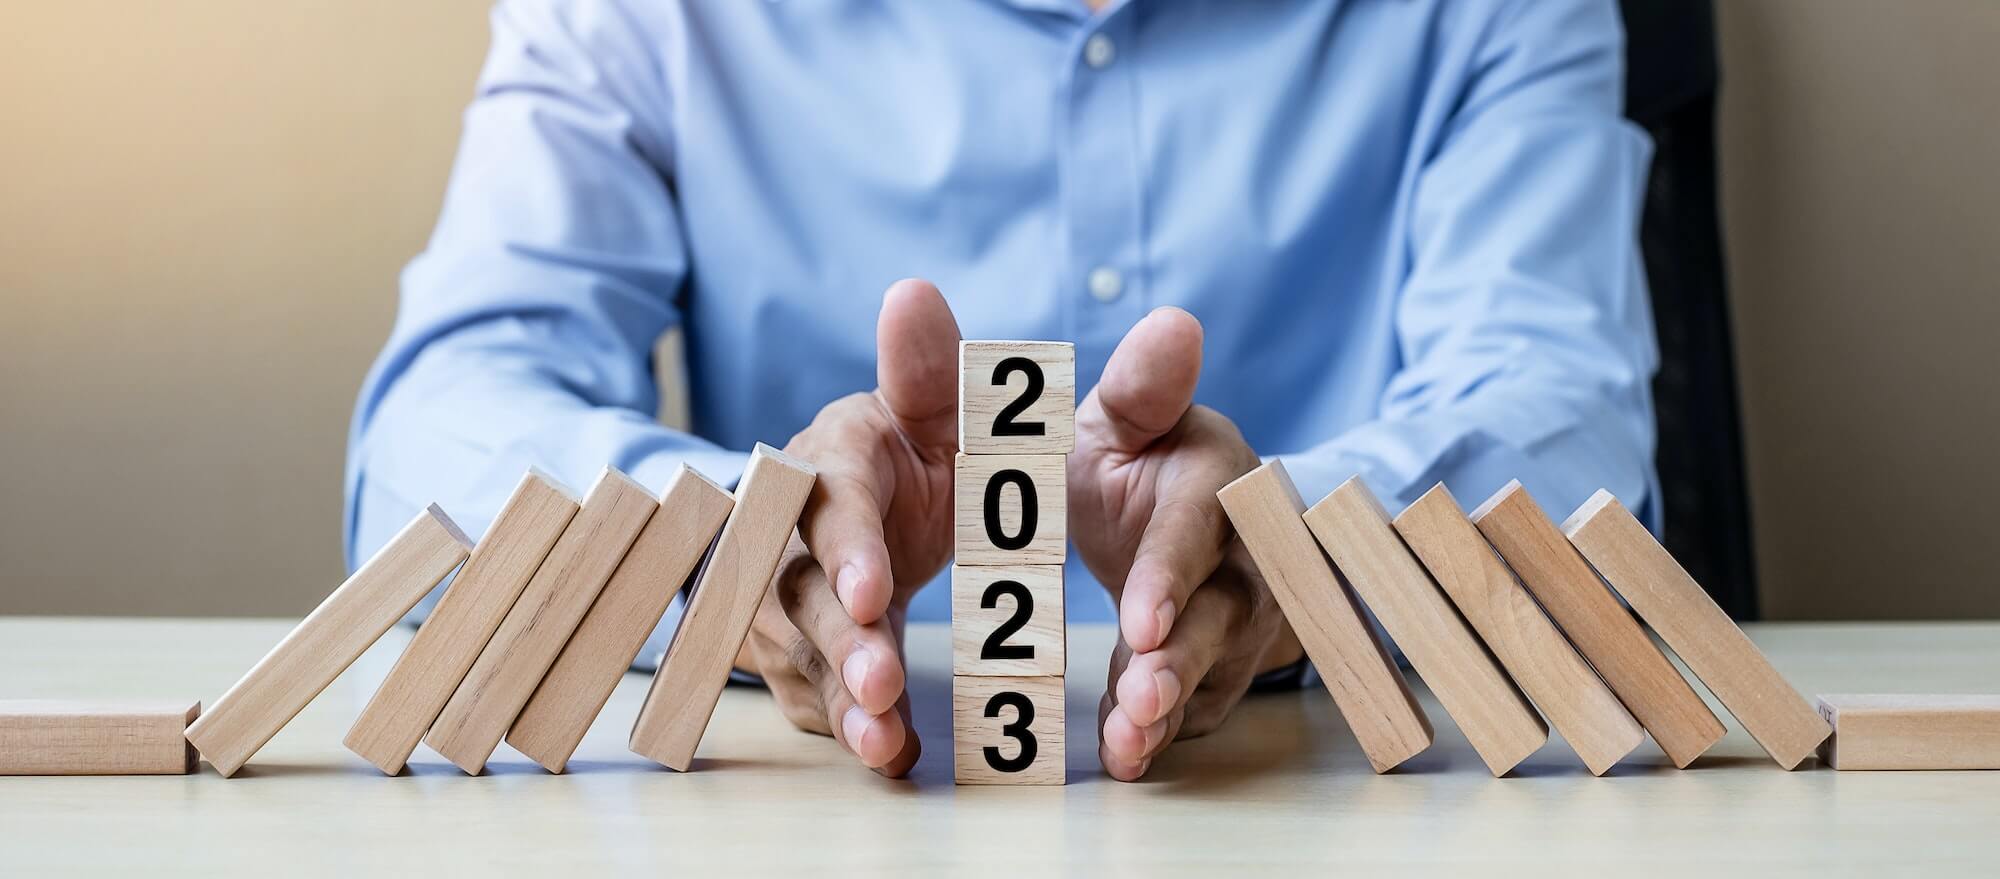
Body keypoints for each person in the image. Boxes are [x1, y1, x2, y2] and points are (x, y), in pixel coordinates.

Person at [346, 0, 1660, 782]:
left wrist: (1289, 547)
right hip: (808, 814)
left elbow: (1577, 432)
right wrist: (741, 550)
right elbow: (432, 436)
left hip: (1342, 803)